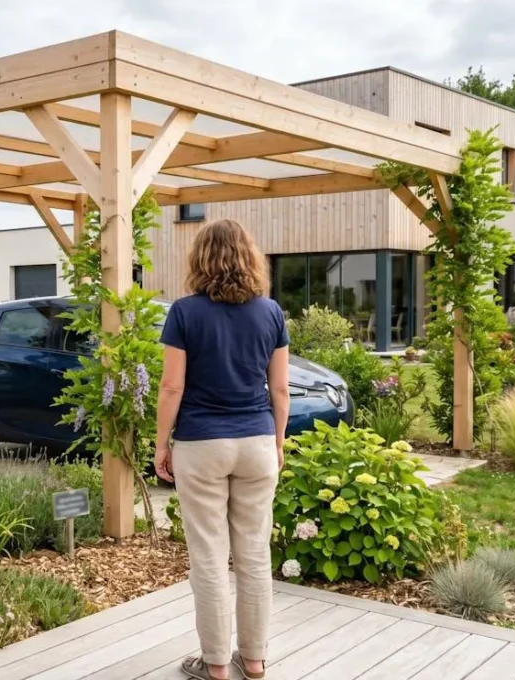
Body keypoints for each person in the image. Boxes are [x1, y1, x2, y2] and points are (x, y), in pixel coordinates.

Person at [155, 218, 289, 680]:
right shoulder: (270, 312)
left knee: (209, 557)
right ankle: (254, 660)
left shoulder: (184, 312)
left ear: (200, 259)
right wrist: (278, 442)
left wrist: (161, 444)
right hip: (257, 442)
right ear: (251, 258)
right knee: (254, 554)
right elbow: (280, 390)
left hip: (201, 444)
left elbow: (171, 387)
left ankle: (215, 665)